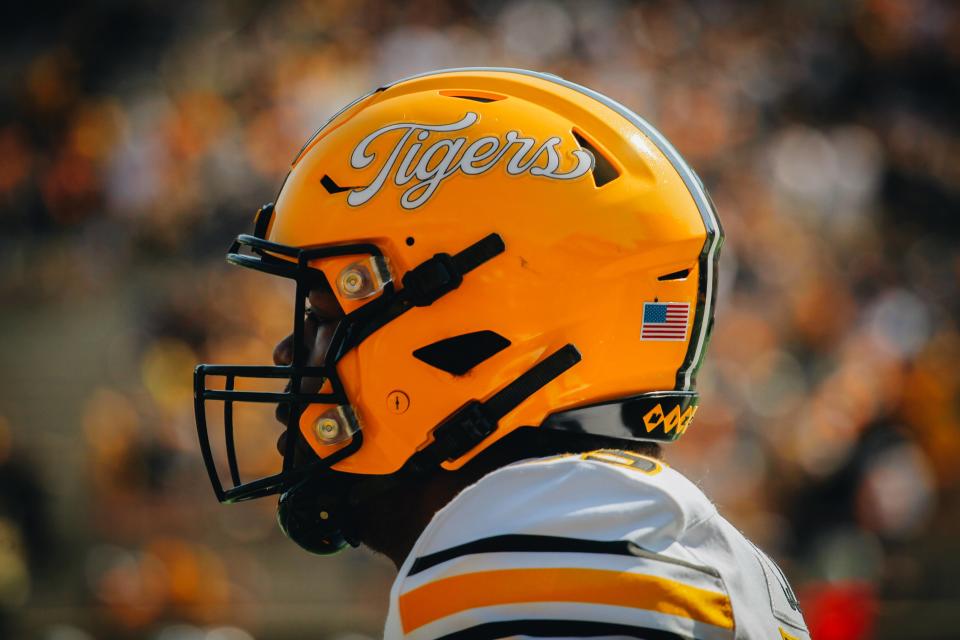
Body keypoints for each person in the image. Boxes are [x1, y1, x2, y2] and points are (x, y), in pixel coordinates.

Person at [193, 68, 810, 639]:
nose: (284, 352)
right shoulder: (665, 545)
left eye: (327, 313)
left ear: (472, 335)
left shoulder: (533, 560)